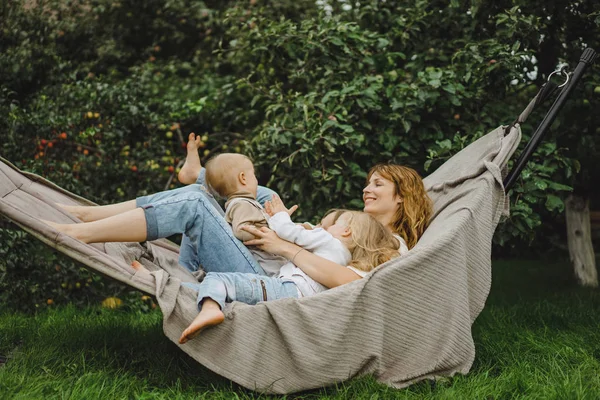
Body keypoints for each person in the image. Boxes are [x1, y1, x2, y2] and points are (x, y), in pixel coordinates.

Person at [50, 133, 433, 285]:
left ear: (402, 196)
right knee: (255, 195)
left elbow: (350, 281)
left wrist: (286, 245)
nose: (366, 189)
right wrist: (295, 227)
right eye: (368, 182)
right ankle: (92, 214)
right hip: (269, 262)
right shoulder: (360, 225)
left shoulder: (396, 247)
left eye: (378, 185)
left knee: (198, 203)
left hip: (268, 277)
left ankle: (81, 230)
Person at [129, 205, 399, 344]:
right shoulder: (344, 256)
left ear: (347, 232)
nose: (317, 227)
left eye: (326, 225)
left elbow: (297, 235)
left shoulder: (333, 246)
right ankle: (165, 279)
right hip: (283, 289)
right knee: (215, 278)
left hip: (285, 291)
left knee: (219, 278)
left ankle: (207, 305)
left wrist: (279, 217)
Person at [202, 152, 291, 275]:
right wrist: (266, 232)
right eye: (254, 175)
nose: (256, 180)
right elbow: (241, 230)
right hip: (265, 267)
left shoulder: (245, 203)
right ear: (243, 178)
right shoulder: (241, 204)